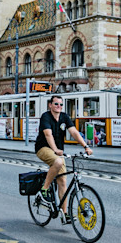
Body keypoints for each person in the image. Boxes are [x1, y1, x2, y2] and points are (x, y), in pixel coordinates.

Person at [35, 95, 92, 224]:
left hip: (58, 151)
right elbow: (48, 134)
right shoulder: (46, 116)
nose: (59, 107)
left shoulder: (64, 117)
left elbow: (74, 132)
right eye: (56, 104)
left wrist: (85, 146)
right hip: (43, 148)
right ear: (50, 105)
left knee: (62, 181)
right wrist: (55, 149)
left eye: (61, 104)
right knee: (58, 161)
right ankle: (45, 188)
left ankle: (64, 214)